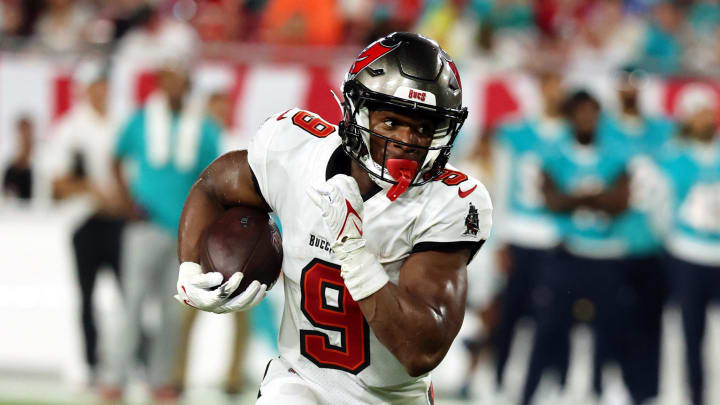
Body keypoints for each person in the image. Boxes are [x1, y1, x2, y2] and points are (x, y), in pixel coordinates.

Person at [175, 32, 492, 404]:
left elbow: (419, 351)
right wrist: (191, 266)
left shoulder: (447, 203)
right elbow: (213, 187)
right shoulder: (295, 153)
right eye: (392, 122)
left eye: (424, 127)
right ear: (357, 112)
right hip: (300, 381)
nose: (408, 140)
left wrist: (354, 252)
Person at [101, 57, 222, 402]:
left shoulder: (204, 128)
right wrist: (126, 203)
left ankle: (160, 381)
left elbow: (211, 179)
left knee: (173, 311)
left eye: (177, 79)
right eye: (166, 79)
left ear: (187, 84)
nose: (171, 86)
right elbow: (114, 159)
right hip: (144, 226)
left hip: (185, 233)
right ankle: (114, 378)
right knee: (131, 305)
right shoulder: (140, 120)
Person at [522, 90, 632, 405]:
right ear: (571, 117)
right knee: (550, 326)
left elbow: (621, 203)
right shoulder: (555, 153)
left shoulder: (615, 154)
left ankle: (602, 388)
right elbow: (551, 201)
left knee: (608, 328)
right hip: (567, 251)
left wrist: (574, 196)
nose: (586, 119)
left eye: (592, 112)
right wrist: (596, 195)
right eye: (580, 112)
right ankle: (535, 390)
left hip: (605, 252)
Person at [48, 63, 124, 384]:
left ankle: (130, 359)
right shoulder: (70, 129)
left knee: (129, 295)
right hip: (85, 221)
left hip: (119, 221)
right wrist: (93, 190)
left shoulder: (119, 124)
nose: (102, 90)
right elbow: (57, 183)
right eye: (97, 84)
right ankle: (93, 362)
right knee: (88, 296)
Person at [658, 84, 720, 405]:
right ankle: (696, 397)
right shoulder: (673, 156)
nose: (704, 119)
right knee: (691, 335)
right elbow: (661, 206)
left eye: (707, 111)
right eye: (696, 113)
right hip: (688, 255)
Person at [2, 116, 34, 200]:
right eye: (21, 132)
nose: (23, 136)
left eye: (26, 131)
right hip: (17, 210)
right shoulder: (10, 167)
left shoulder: (42, 159)